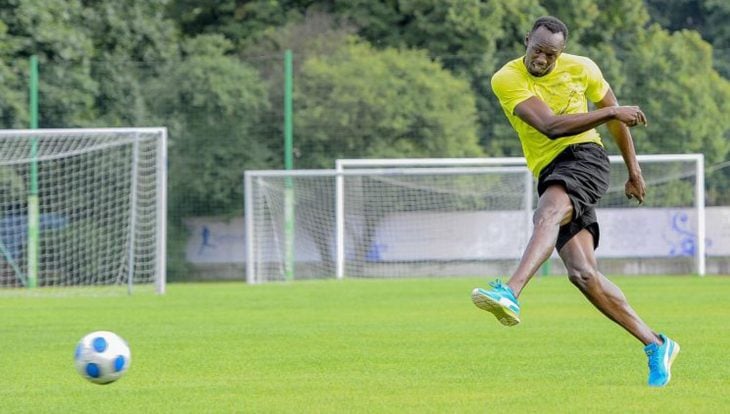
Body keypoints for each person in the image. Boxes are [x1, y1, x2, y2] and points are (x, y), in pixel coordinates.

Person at [471, 16, 679, 387]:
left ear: (561, 52)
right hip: (551, 168)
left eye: (551, 54)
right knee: (583, 274)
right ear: (526, 42)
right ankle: (656, 344)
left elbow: (616, 125)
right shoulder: (507, 78)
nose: (543, 60)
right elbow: (550, 125)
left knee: (548, 212)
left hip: (586, 158)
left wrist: (635, 172)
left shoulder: (583, 68)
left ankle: (511, 291)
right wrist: (612, 110)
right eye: (538, 51)